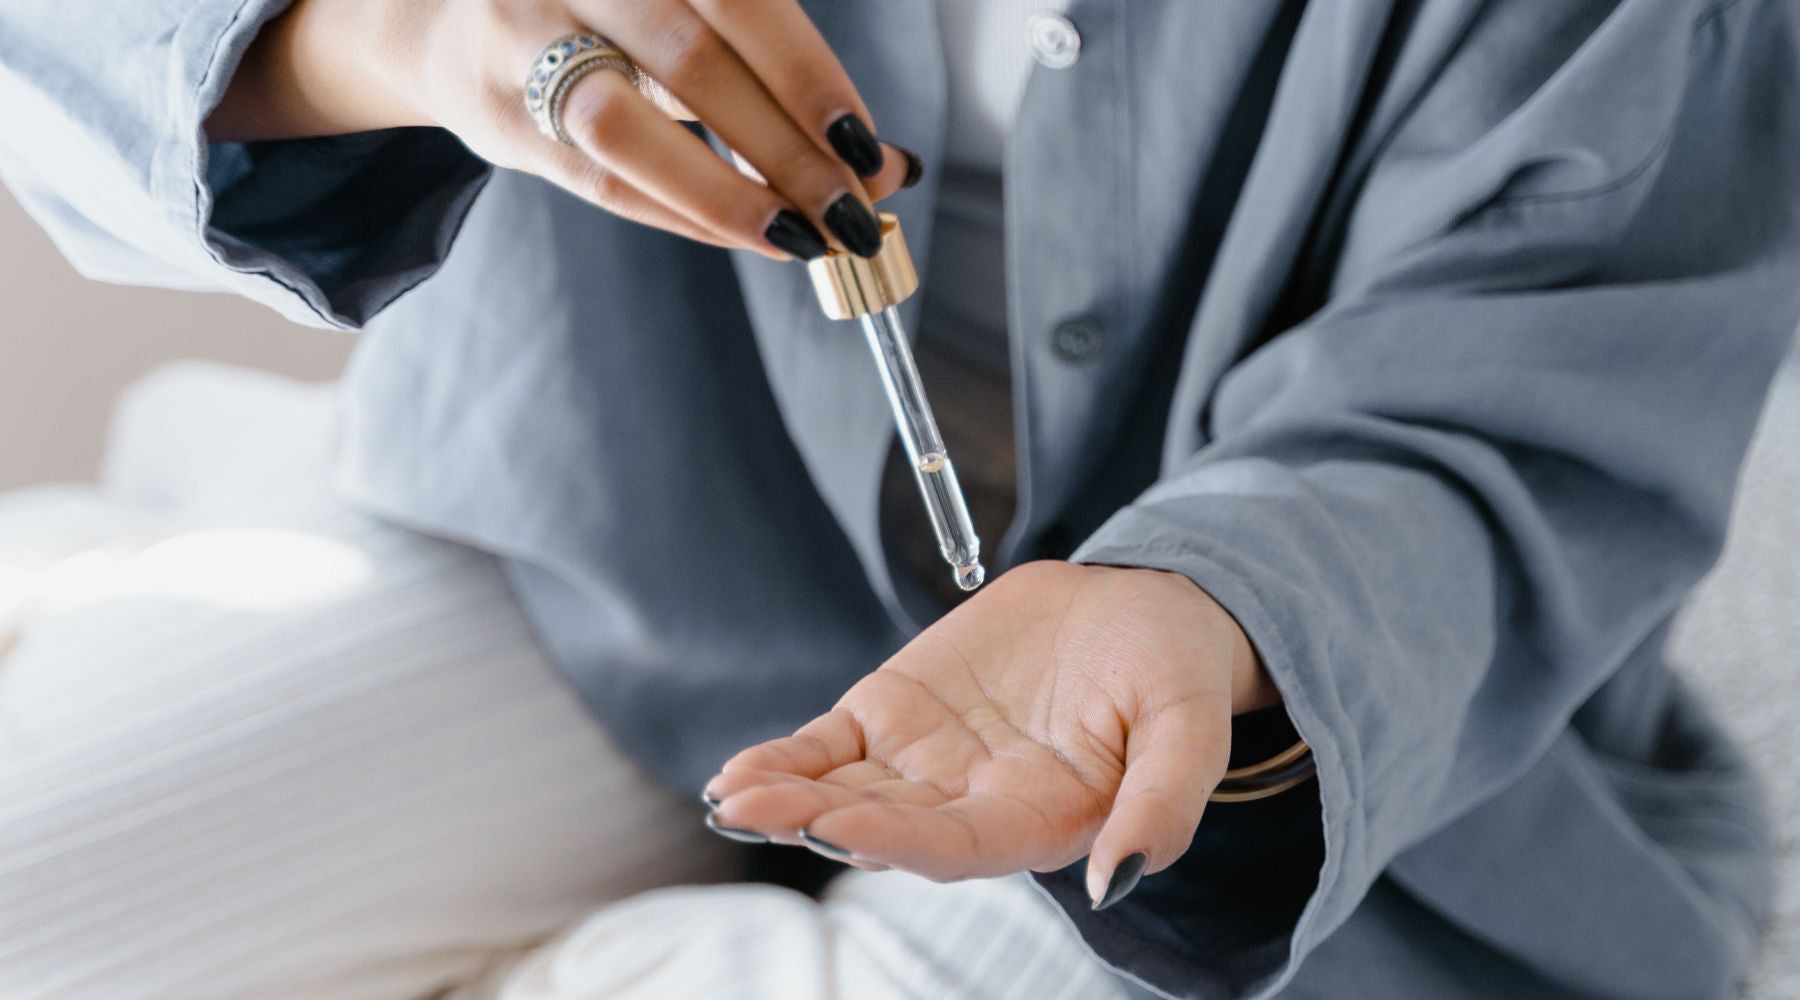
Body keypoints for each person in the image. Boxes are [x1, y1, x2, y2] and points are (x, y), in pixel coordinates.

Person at [0, 0, 1796, 997]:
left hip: (1221, 726)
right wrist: (398, 37)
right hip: (607, 530)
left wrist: (1208, 605)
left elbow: (1526, 377)